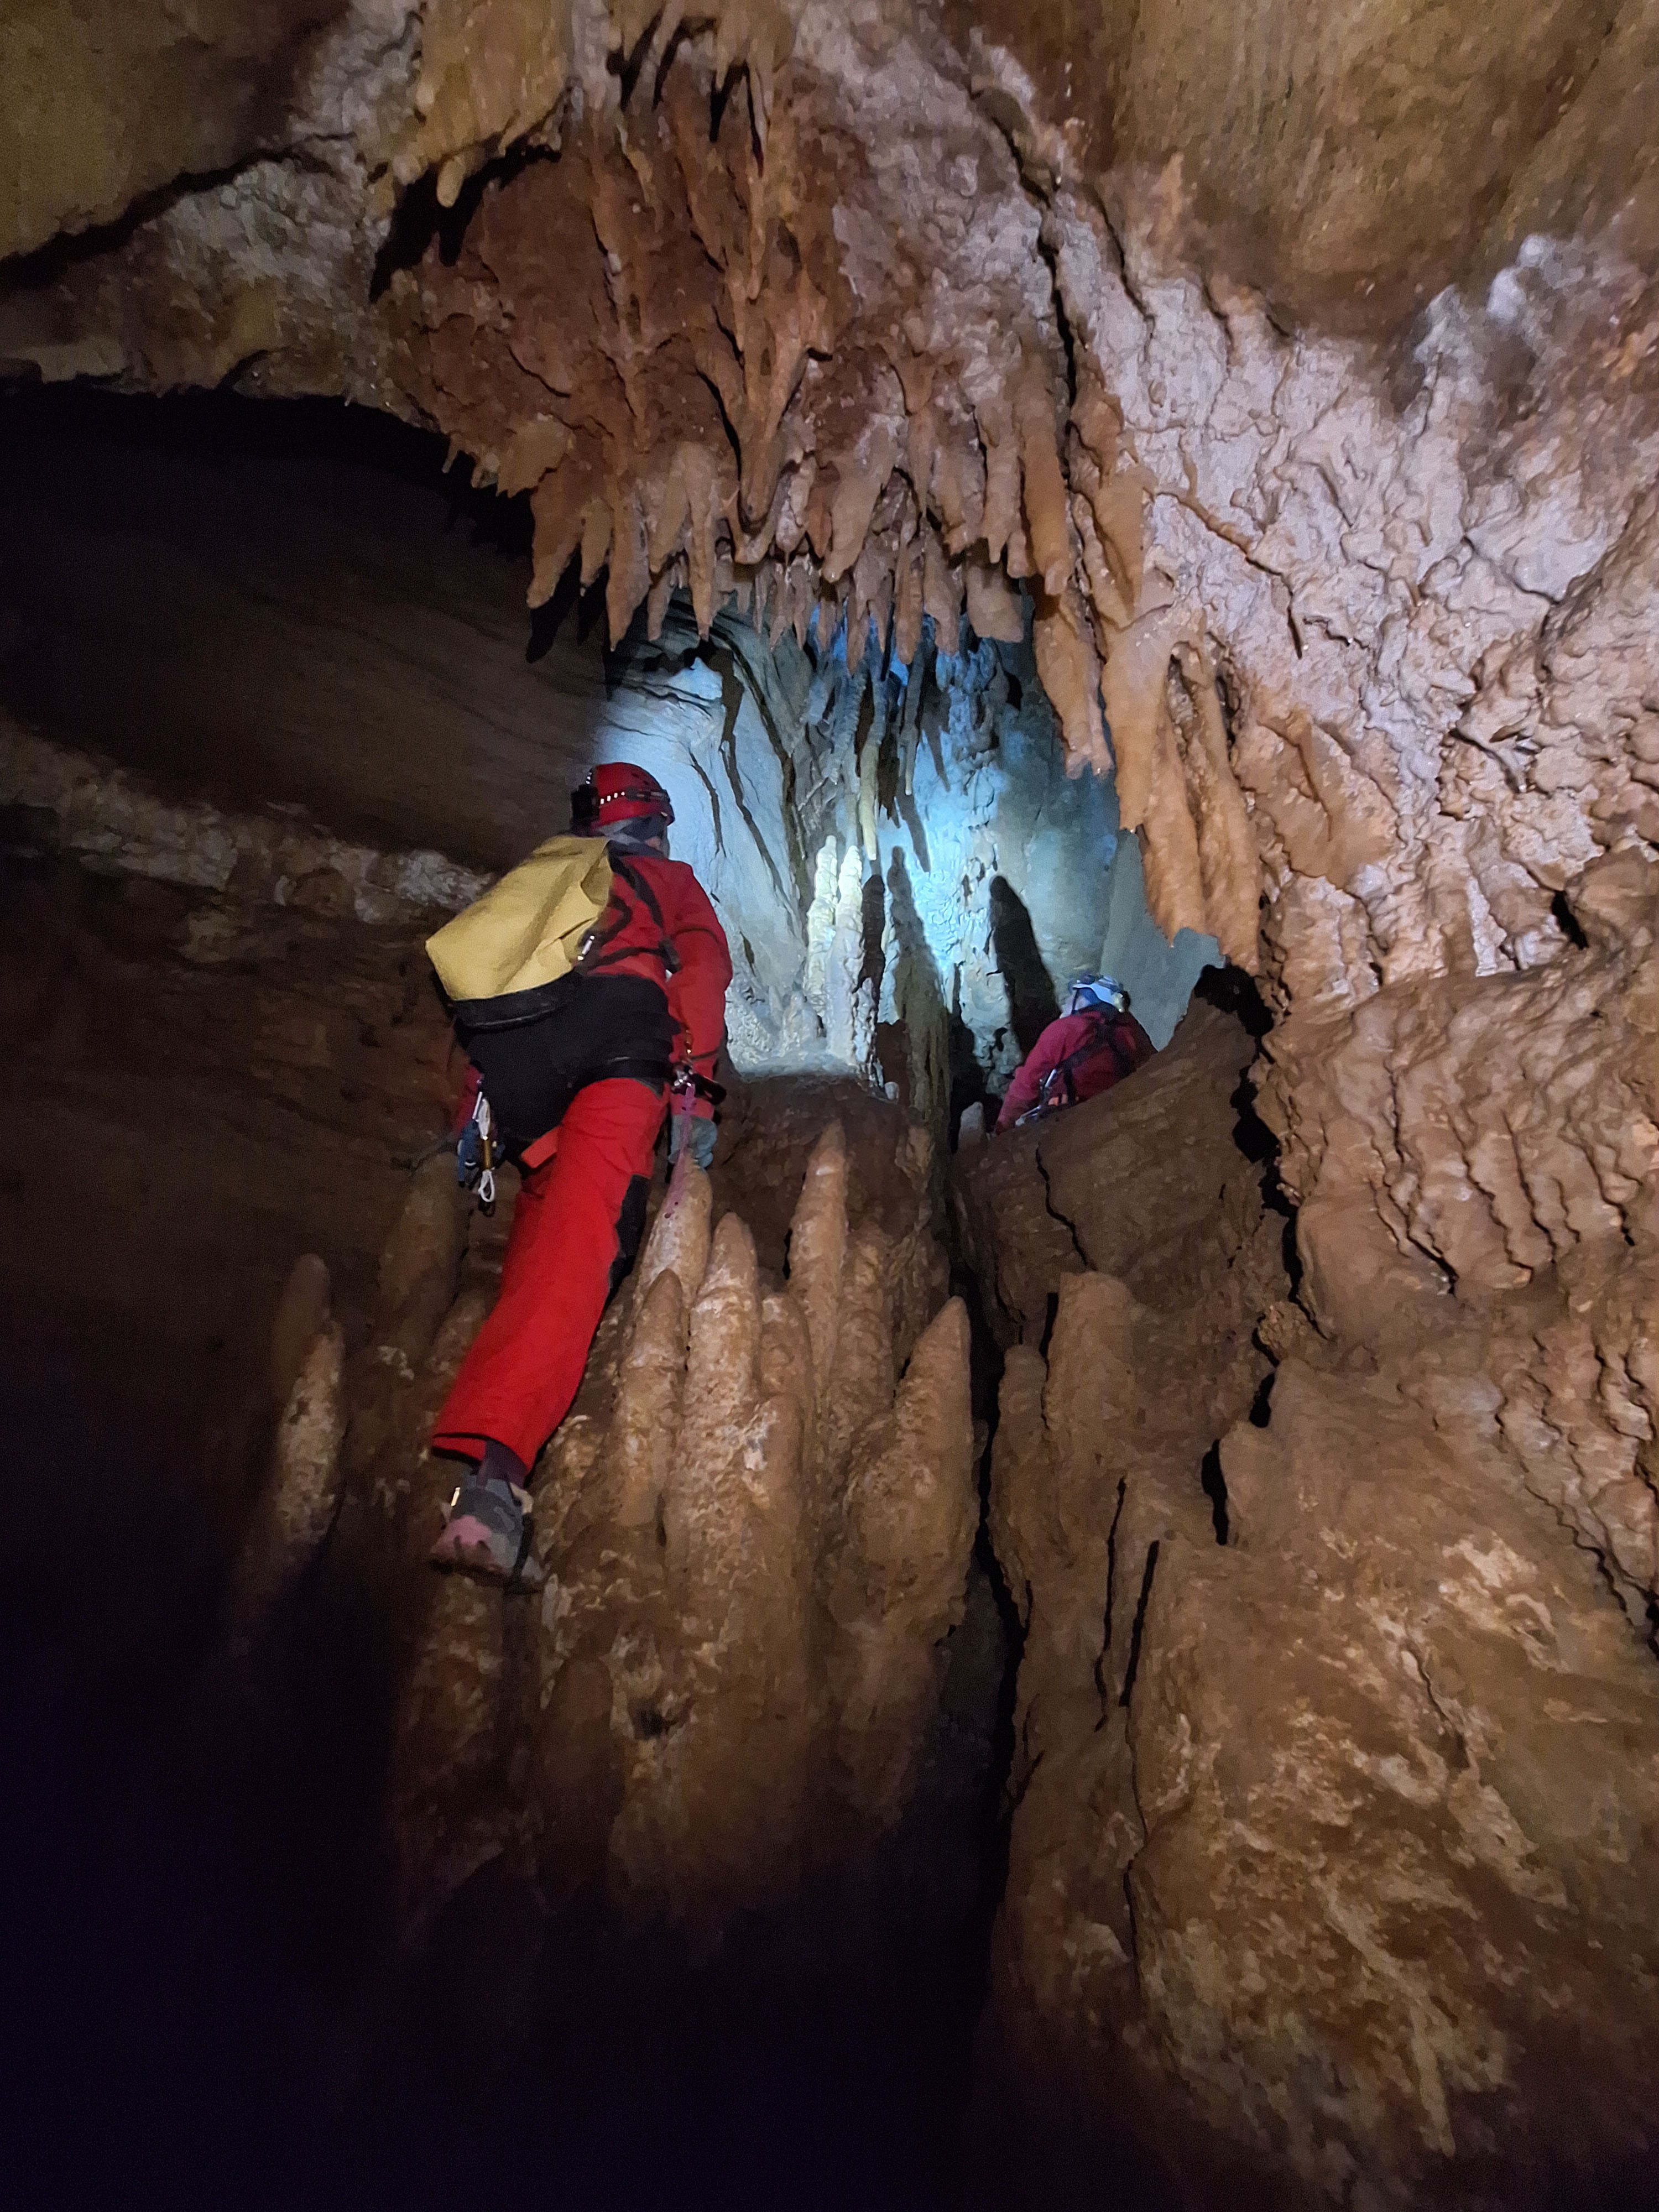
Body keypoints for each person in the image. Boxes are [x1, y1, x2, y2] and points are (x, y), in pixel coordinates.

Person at [429, 763, 731, 1583]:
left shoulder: (549, 875)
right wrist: (696, 1098)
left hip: (527, 1075)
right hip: (615, 1050)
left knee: (546, 1229)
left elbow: (489, 991)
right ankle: (494, 1489)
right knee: (581, 1239)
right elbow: (701, 976)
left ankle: (483, 1464)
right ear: (658, 825)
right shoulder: (669, 881)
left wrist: (475, 1114)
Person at [994, 972, 1154, 1134]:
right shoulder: (1132, 1033)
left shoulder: (1066, 1029)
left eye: (1072, 997)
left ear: (1084, 999)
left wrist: (1002, 1130)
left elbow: (1025, 1085)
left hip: (1072, 1122)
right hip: (1125, 1112)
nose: (1065, 1004)